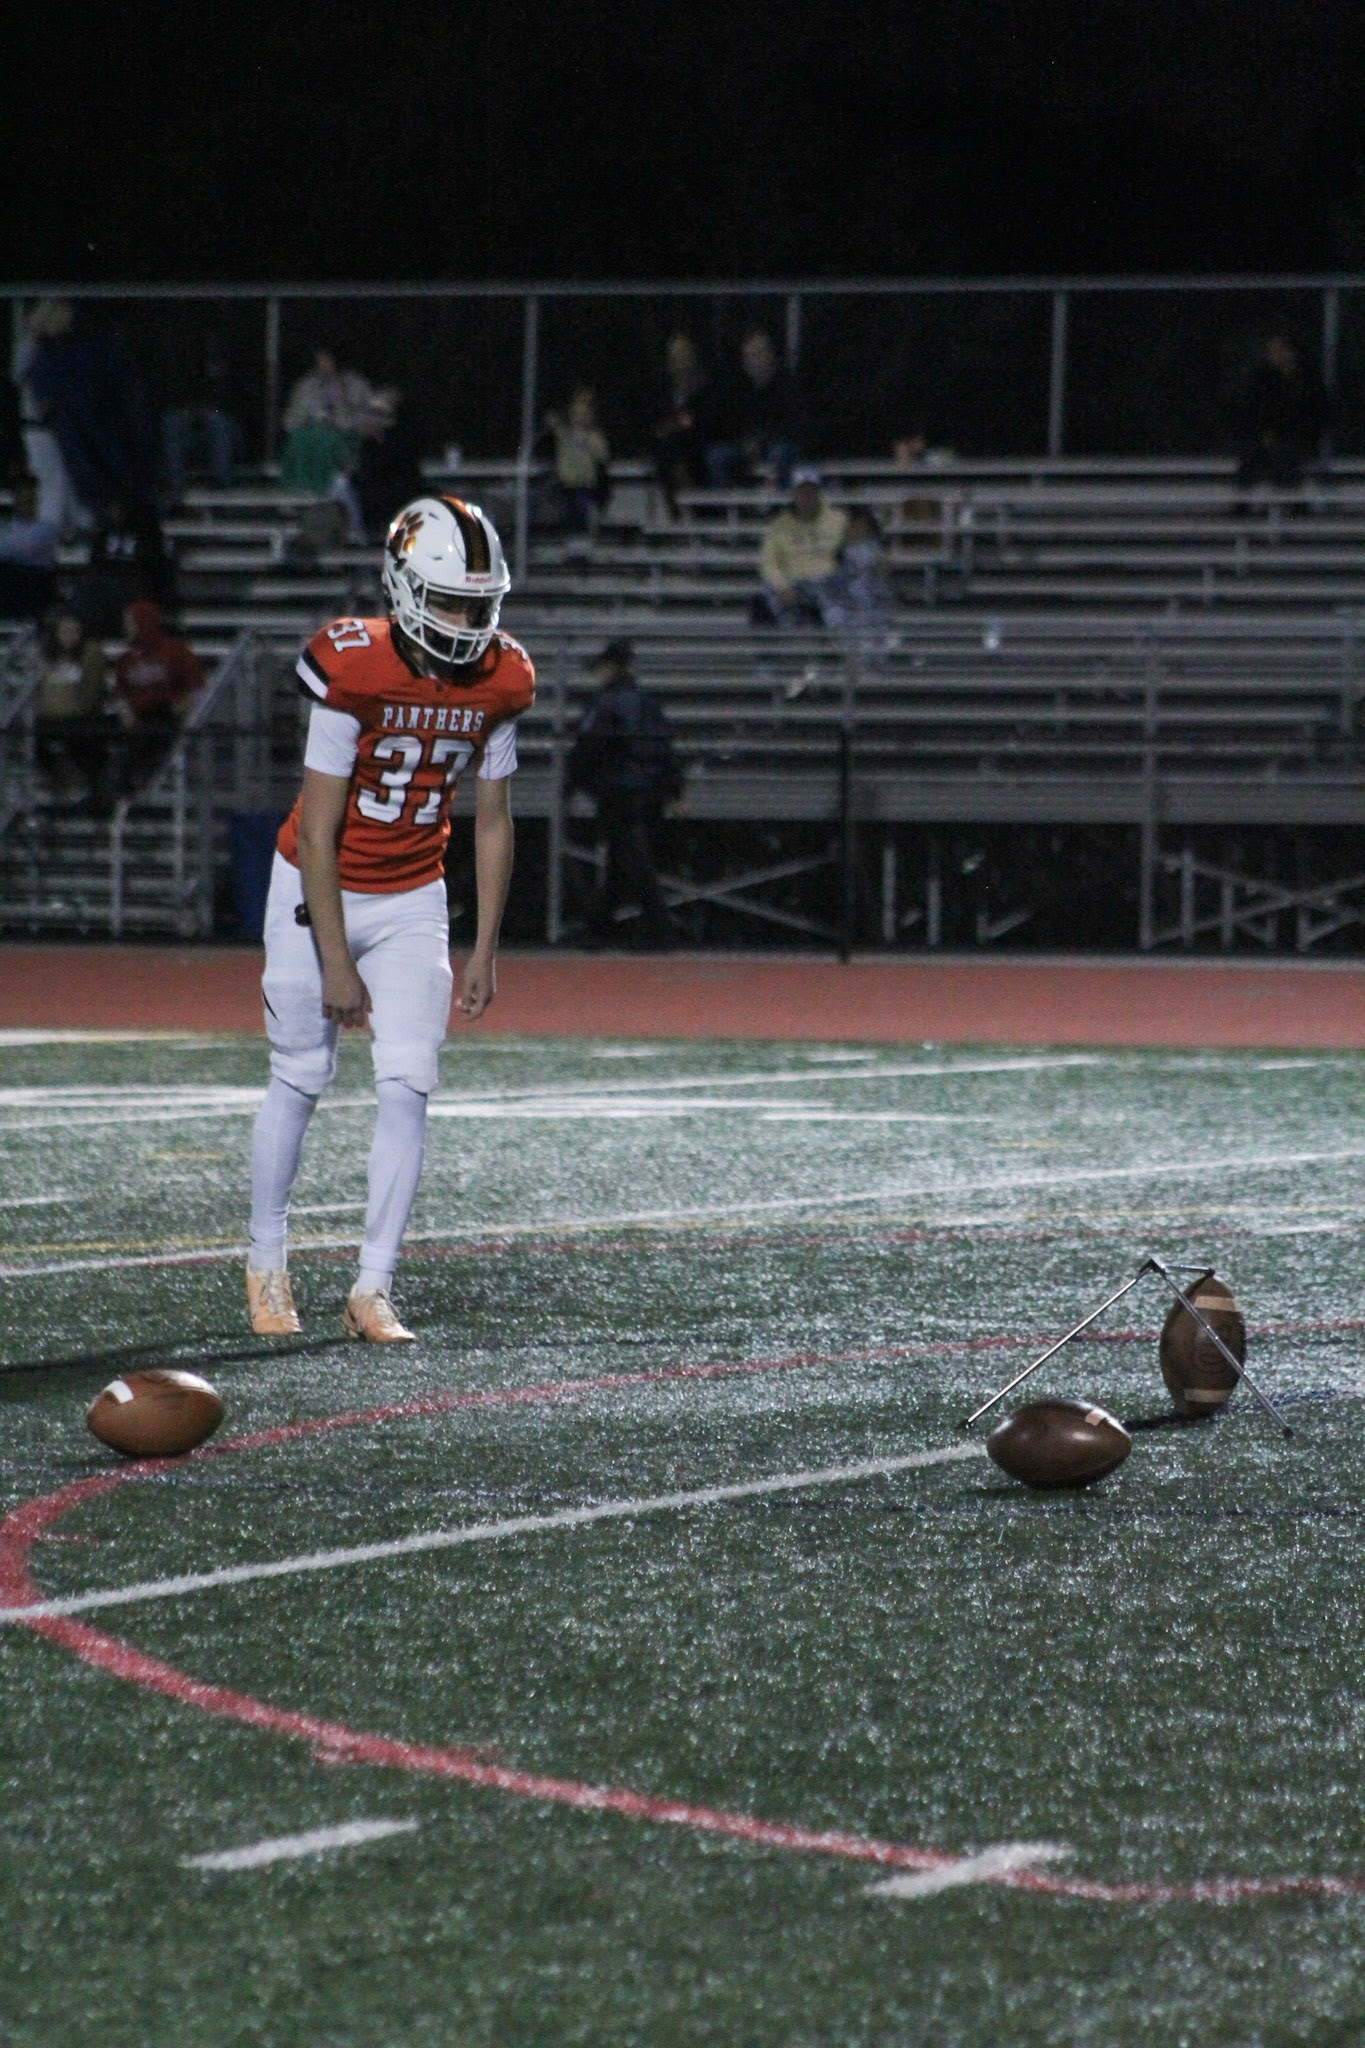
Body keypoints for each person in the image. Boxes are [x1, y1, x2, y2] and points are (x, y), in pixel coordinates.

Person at [245, 494, 533, 1343]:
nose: (467, 622)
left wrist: (484, 945)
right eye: (449, 601)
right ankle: (266, 1262)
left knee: (409, 1083)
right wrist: (336, 959)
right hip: (316, 883)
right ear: (403, 588)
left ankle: (372, 1286)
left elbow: (492, 819)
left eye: (479, 605)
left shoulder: (502, 679)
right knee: (301, 1074)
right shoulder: (354, 666)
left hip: (412, 893)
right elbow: (320, 829)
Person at [567, 639, 682, 947]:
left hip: (617, 791)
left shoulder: (604, 704)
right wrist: (674, 789)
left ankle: (656, 929)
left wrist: (571, 784)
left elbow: (588, 748)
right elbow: (666, 748)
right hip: (648, 791)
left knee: (632, 861)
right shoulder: (646, 703)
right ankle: (604, 927)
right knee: (623, 860)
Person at [112, 600, 203, 790]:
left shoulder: (175, 651)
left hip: (167, 715)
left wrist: (180, 709)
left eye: (130, 622)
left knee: (153, 736)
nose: (126, 627)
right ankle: (123, 791)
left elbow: (195, 685)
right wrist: (125, 711)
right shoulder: (127, 658)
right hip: (140, 718)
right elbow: (121, 692)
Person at [752, 467, 848, 626]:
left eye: (811, 491)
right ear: (793, 494)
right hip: (792, 584)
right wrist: (783, 587)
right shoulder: (778, 525)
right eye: (802, 492)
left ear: (819, 493)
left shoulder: (838, 521)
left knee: (838, 607)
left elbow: (851, 553)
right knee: (767, 597)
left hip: (827, 584)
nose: (806, 496)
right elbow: (768, 563)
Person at [706, 328, 801, 489]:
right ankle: (725, 502)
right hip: (746, 448)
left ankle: (775, 501)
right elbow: (731, 424)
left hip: (778, 446)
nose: (753, 361)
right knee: (717, 456)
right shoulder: (739, 390)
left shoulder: (786, 387)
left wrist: (761, 442)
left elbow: (791, 426)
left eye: (757, 354)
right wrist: (744, 443)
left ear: (770, 355)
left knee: (779, 454)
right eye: (749, 356)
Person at [1235, 334, 1331, 491]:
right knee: (1251, 464)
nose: (1275, 355)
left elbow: (1319, 413)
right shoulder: (1262, 381)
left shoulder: (1308, 381)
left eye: (1280, 350)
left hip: (1299, 442)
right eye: (1272, 351)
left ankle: (1291, 497)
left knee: (1285, 459)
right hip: (1266, 443)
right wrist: (1265, 434)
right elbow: (1253, 412)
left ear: (1291, 352)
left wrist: (1298, 434)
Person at [36, 610, 109, 807]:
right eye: (66, 631)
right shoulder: (49, 657)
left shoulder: (89, 655)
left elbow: (92, 692)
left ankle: (88, 790)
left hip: (79, 718)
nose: (71, 636)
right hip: (49, 718)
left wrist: (77, 709)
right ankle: (60, 783)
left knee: (86, 743)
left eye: (75, 631)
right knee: (33, 741)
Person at [162, 331, 239, 501]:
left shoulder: (233, 383)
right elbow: (177, 405)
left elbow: (231, 413)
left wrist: (210, 413)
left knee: (219, 422)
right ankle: (175, 483)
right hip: (194, 436)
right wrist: (191, 413)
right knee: (172, 421)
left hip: (223, 438)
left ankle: (221, 482)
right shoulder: (189, 380)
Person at [653, 333, 715, 516]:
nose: (679, 361)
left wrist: (679, 425)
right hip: (670, 452)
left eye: (683, 355)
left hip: (697, 450)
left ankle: (692, 509)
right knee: (666, 453)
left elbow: (703, 423)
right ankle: (678, 511)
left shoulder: (705, 389)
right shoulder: (664, 391)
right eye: (675, 356)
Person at [544, 386, 611, 535]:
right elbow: (553, 424)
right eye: (577, 413)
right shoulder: (564, 433)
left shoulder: (594, 436)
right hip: (566, 483)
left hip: (585, 485)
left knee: (583, 516)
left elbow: (602, 458)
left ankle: (584, 536)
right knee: (568, 516)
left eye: (585, 413)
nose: (581, 417)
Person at [0, 474, 59, 620]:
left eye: (29, 499)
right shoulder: (4, 525)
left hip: (34, 583)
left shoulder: (46, 529)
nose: (25, 502)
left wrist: (8, 546)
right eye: (22, 497)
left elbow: (28, 549)